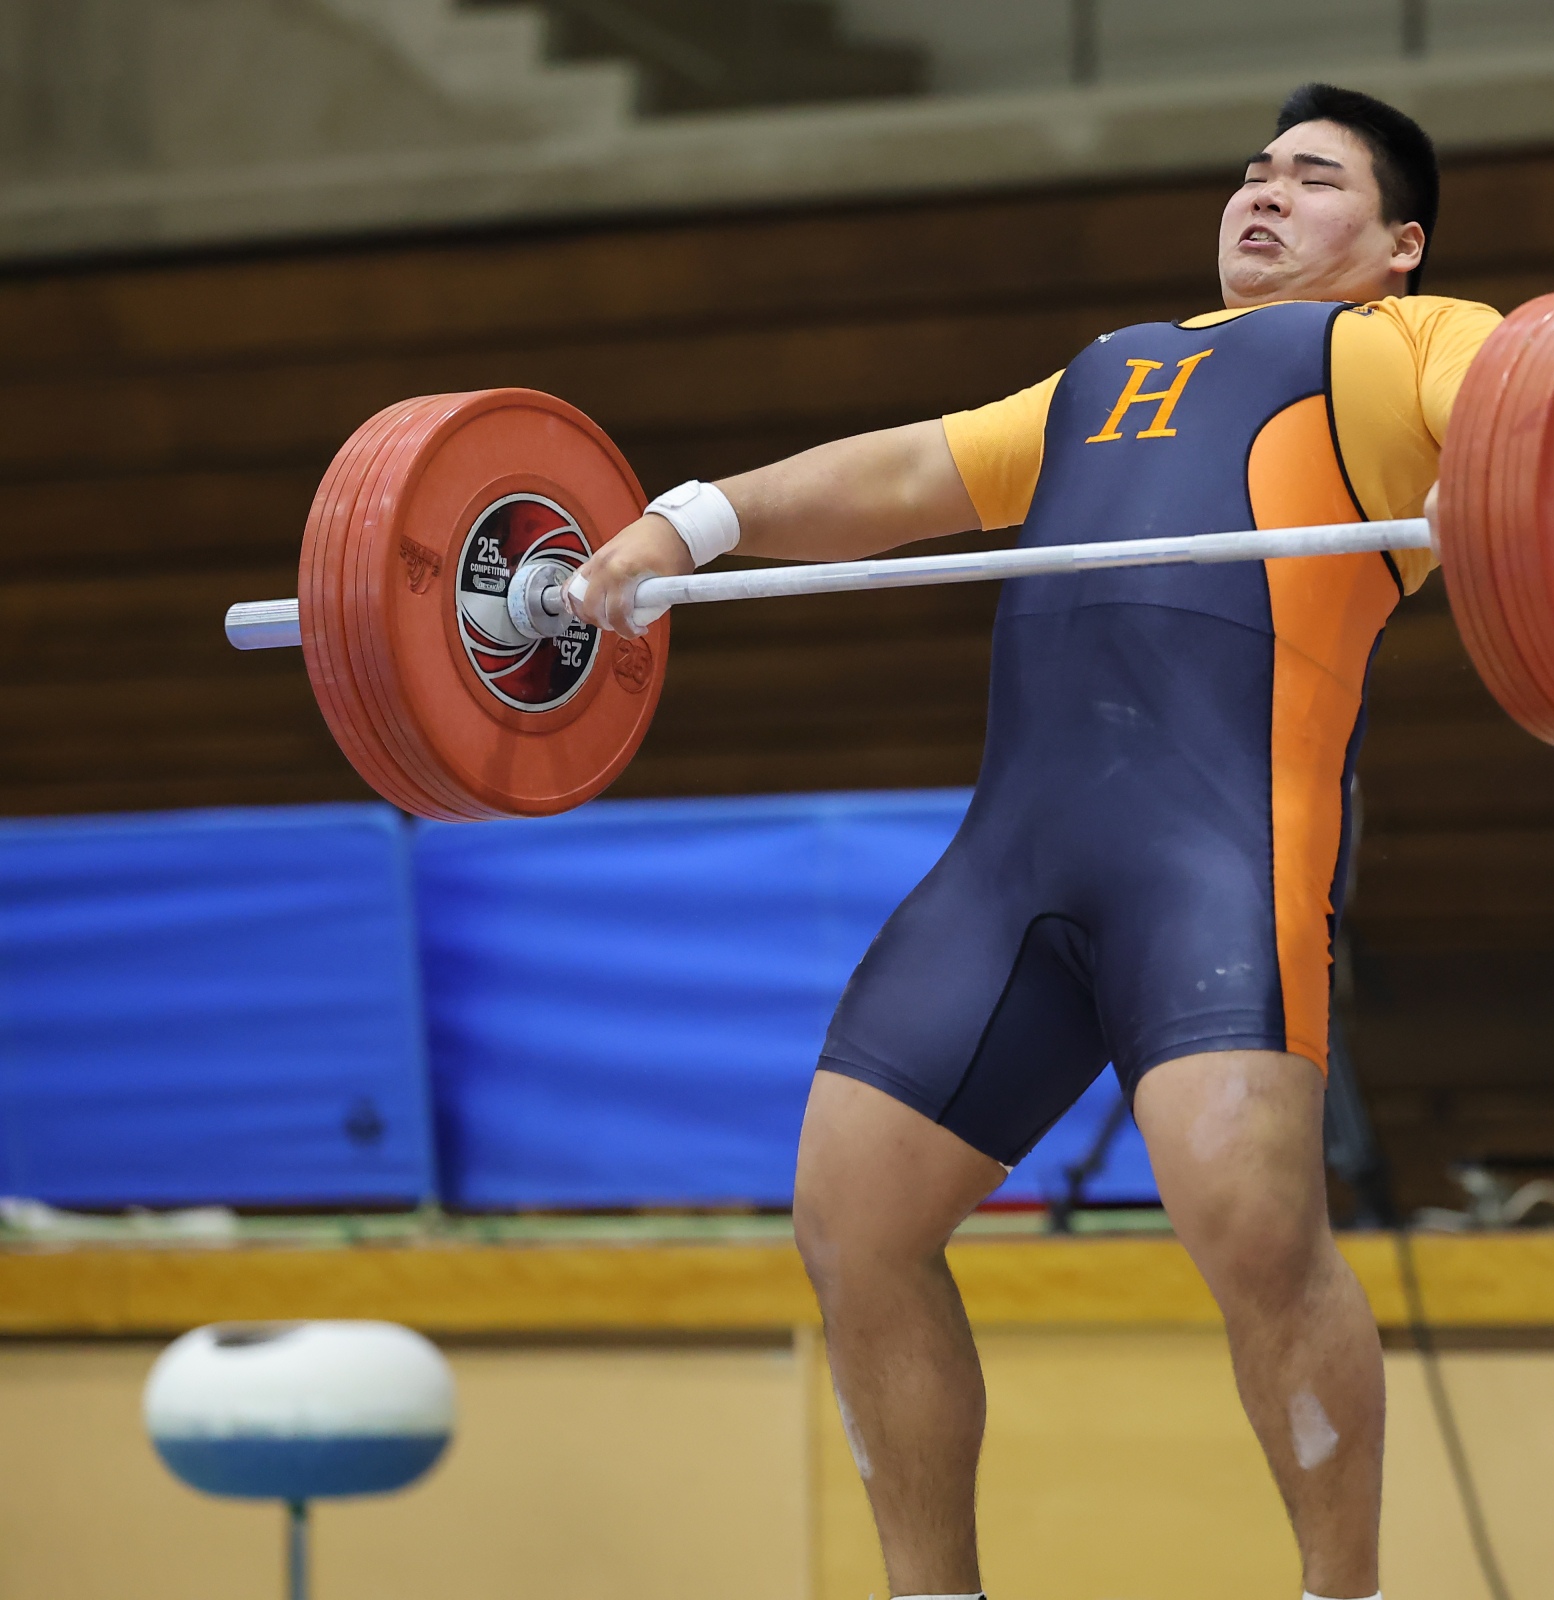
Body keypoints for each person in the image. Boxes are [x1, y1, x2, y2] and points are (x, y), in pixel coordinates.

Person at [570, 82, 1500, 1600]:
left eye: (1314, 178)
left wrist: (1493, 491)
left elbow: (1520, 417)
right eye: (1253, 171)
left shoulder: (1413, 342)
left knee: (1254, 1228)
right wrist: (690, 523)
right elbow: (902, 477)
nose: (1263, 194)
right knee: (853, 1216)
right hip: (1012, 865)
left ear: (1400, 242)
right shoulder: (1110, 371)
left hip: (1215, 857)